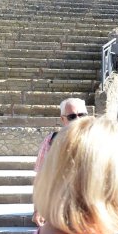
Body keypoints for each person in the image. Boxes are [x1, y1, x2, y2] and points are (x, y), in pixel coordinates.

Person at [32, 97, 88, 226]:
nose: (78, 119)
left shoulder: (99, 139)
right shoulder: (51, 141)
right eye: (72, 116)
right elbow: (41, 176)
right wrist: (38, 208)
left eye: (82, 115)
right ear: (63, 119)